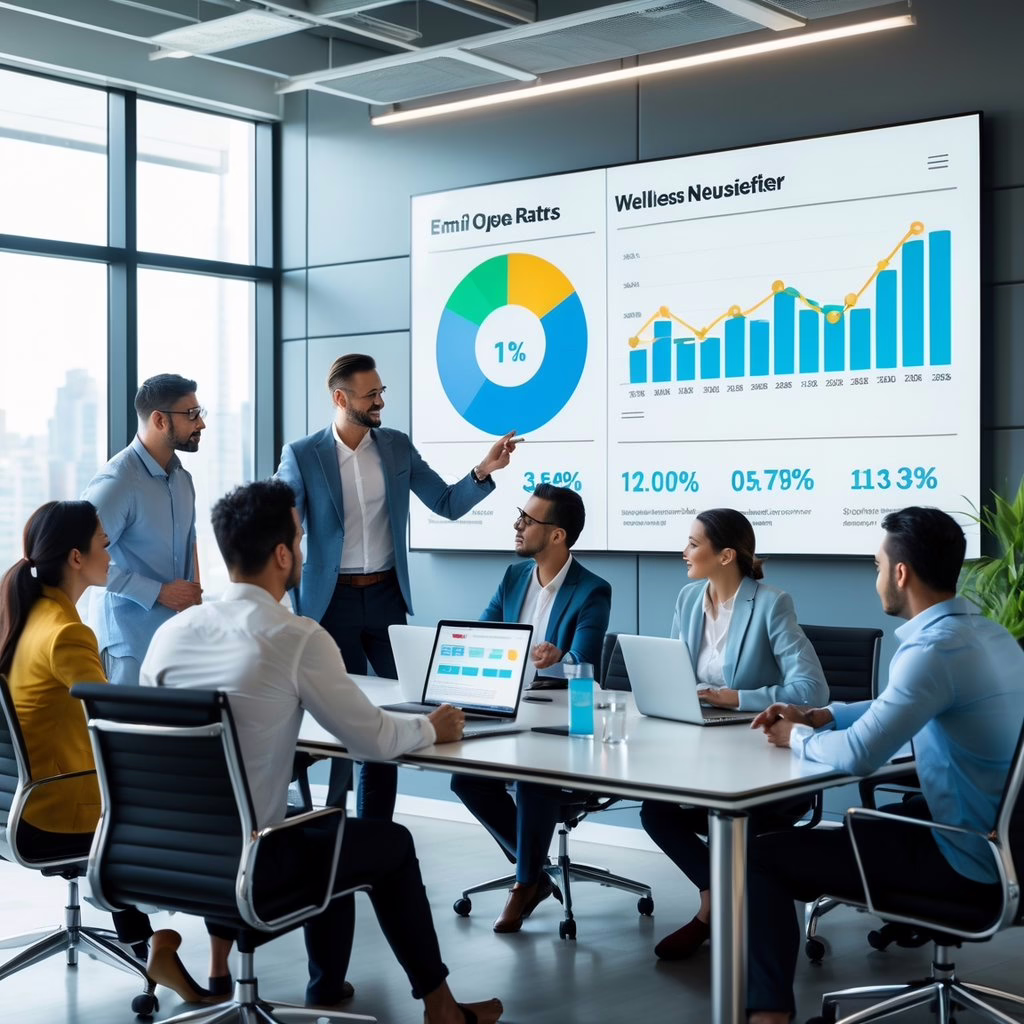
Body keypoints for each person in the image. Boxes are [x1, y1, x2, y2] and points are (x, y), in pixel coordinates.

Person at [140, 479, 503, 1024]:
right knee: (390, 843)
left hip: (168, 856)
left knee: (327, 826)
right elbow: (373, 741)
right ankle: (441, 1006)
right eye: (301, 538)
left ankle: (327, 986)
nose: (304, 550)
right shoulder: (295, 636)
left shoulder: (172, 634)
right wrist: (432, 728)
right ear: (283, 554)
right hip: (251, 864)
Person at [744, 506, 1024, 1024]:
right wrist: (824, 714)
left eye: (876, 566)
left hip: (968, 862)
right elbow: (898, 704)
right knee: (904, 808)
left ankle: (768, 1016)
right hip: (1009, 847)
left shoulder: (933, 651)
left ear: (900, 573)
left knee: (761, 855)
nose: (875, 579)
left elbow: (859, 756)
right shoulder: (991, 637)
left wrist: (796, 736)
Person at [276, 352, 518, 820]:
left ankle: (373, 834)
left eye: (382, 391)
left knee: (391, 718)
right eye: (372, 394)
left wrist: (483, 471)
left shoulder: (395, 446)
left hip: (386, 597)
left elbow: (446, 503)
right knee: (337, 719)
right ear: (341, 398)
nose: (381, 401)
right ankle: (314, 814)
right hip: (331, 603)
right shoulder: (304, 454)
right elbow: (278, 522)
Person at [0, 500, 214, 1005]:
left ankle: (151, 950)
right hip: (55, 811)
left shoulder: (24, 619)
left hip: (20, 808)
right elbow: (114, 726)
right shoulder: (67, 633)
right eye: (103, 544)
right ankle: (178, 950)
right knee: (193, 811)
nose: (110, 552)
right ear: (77, 558)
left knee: (138, 804)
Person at [639, 507, 828, 960]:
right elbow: (676, 673)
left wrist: (736, 698)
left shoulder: (770, 603)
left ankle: (710, 914)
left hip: (757, 755)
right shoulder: (687, 599)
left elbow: (812, 689)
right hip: (698, 745)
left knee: (739, 821)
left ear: (725, 555)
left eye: (693, 543)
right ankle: (716, 897)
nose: (684, 551)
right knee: (655, 811)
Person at [450, 485, 611, 933]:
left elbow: (586, 662)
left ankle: (525, 884)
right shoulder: (513, 577)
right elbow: (482, 633)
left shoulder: (592, 590)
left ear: (557, 535)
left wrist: (560, 659)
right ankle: (534, 870)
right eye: (520, 515)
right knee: (466, 780)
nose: (518, 525)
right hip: (510, 703)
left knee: (534, 778)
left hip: (563, 713)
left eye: (529, 519)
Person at [82, 374, 205, 686]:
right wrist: (159, 592)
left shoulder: (182, 479)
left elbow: (189, 545)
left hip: (175, 642)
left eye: (200, 413)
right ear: (160, 420)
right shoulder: (117, 482)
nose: (200, 424)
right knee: (131, 735)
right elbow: (81, 558)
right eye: (191, 414)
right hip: (129, 646)